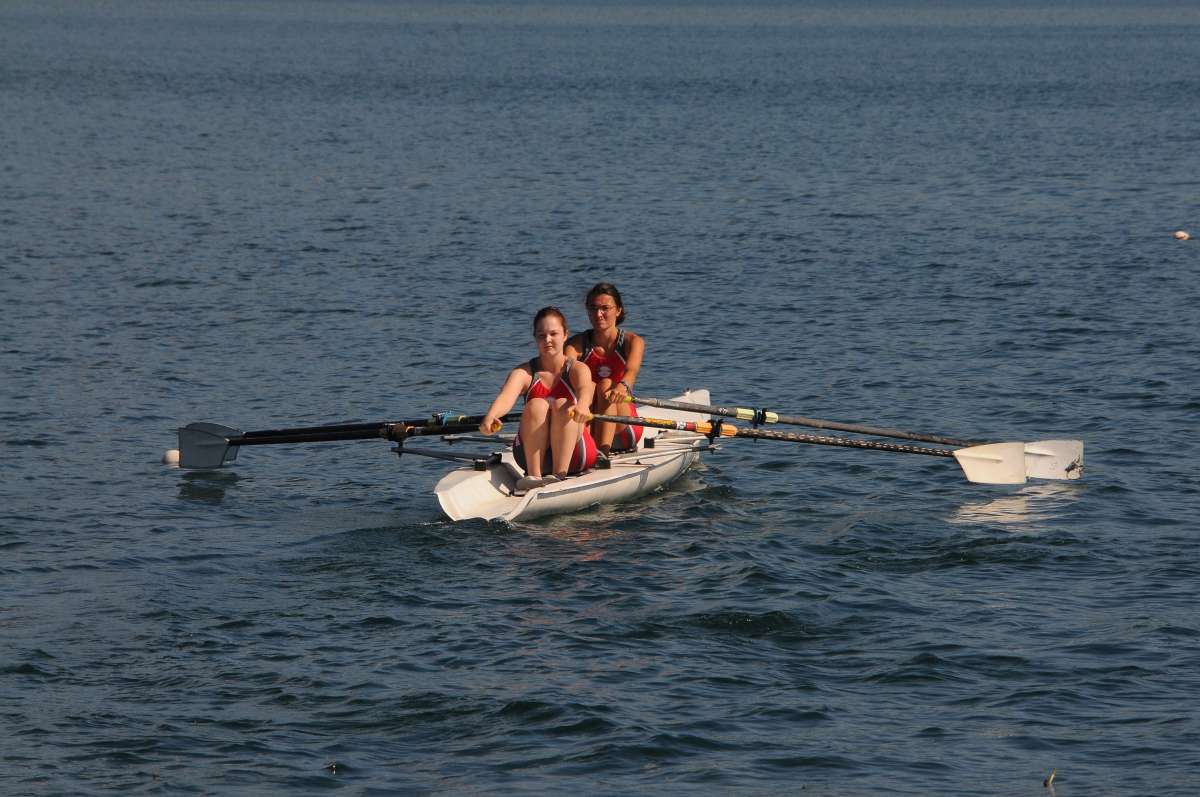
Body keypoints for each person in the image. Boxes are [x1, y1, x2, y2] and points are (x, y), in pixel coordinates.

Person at [480, 307, 597, 491]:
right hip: (529, 457)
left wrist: (582, 406)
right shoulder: (524, 372)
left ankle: (560, 474)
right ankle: (533, 477)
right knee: (536, 405)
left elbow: (585, 390)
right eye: (541, 335)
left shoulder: (577, 369)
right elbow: (506, 397)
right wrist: (490, 416)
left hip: (576, 454)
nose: (547, 340)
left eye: (553, 334)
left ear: (565, 335)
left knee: (562, 403)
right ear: (535, 338)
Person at [565, 282, 645, 456]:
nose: (598, 314)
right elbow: (564, 370)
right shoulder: (576, 344)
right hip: (588, 419)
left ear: (618, 311)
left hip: (624, 430)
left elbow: (631, 372)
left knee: (605, 385)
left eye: (605, 308)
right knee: (590, 387)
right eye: (593, 308)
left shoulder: (633, 342)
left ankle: (603, 453)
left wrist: (622, 387)